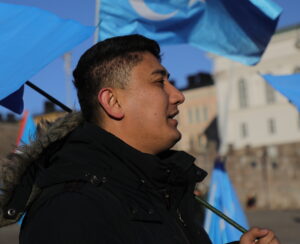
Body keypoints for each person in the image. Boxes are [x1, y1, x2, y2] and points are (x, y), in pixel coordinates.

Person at [0, 35, 279, 244]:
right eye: (159, 82)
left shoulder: (159, 184)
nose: (178, 96)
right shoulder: (71, 209)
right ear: (112, 101)